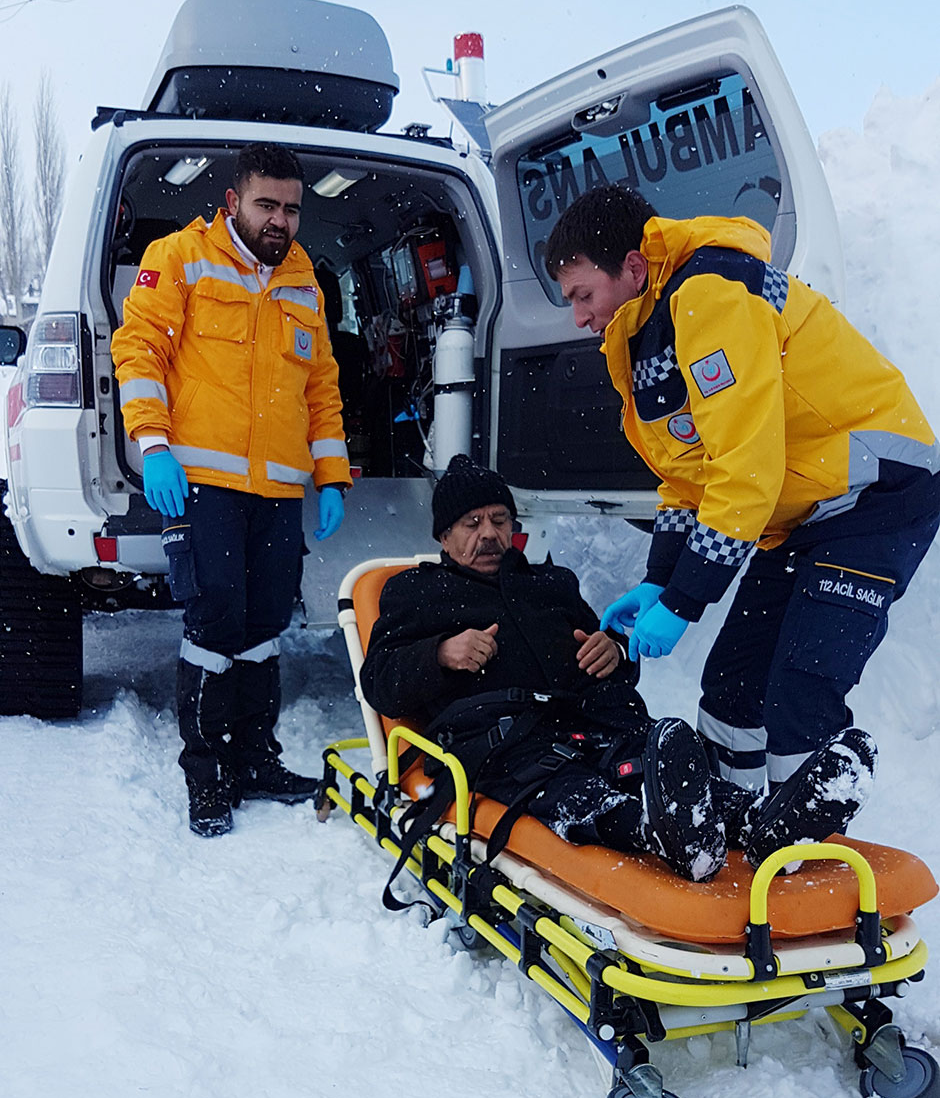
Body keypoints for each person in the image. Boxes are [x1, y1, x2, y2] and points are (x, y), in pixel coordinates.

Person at [544, 186, 940, 796]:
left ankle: (803, 854)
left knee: (799, 689)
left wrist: (683, 604)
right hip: (802, 509)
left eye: (582, 295)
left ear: (632, 266)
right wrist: (661, 578)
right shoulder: (649, 330)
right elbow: (689, 474)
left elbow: (746, 471)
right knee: (732, 685)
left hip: (877, 494)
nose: (577, 316)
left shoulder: (710, 295)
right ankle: (728, 820)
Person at [359, 454, 876, 883]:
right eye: (472, 524)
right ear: (444, 537)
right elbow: (379, 681)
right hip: (507, 748)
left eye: (499, 520)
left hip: (596, 723)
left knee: (649, 761)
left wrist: (613, 652)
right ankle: (664, 832)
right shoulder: (417, 592)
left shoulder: (551, 584)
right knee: (579, 795)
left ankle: (762, 822)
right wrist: (442, 653)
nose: (489, 534)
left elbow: (608, 659)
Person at [112, 143, 351, 837]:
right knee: (216, 618)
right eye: (266, 204)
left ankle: (254, 758)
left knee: (265, 622)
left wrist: (330, 474)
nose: (280, 219)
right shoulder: (180, 257)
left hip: (276, 489)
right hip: (202, 483)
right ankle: (207, 774)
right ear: (232, 203)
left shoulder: (305, 280)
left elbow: (321, 386)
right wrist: (153, 445)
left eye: (291, 208)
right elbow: (139, 350)